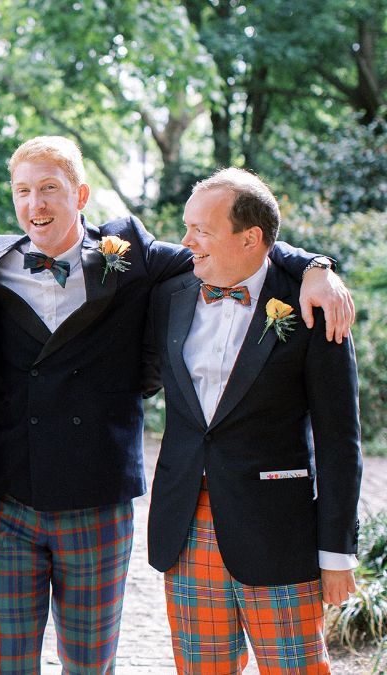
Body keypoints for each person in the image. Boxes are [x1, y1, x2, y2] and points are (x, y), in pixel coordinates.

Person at [0, 136, 355, 673]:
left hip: (167, 505)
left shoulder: (140, 257)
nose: (36, 204)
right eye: (23, 190)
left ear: (81, 195)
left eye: (50, 188)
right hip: (76, 503)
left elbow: (340, 439)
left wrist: (316, 265)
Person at [144, 168, 361, 673]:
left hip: (278, 531)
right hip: (186, 526)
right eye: (186, 227)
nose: (186, 241)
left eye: (201, 230)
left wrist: (336, 553)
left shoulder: (314, 303)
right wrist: (318, 262)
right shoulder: (169, 292)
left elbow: (339, 440)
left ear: (250, 238)